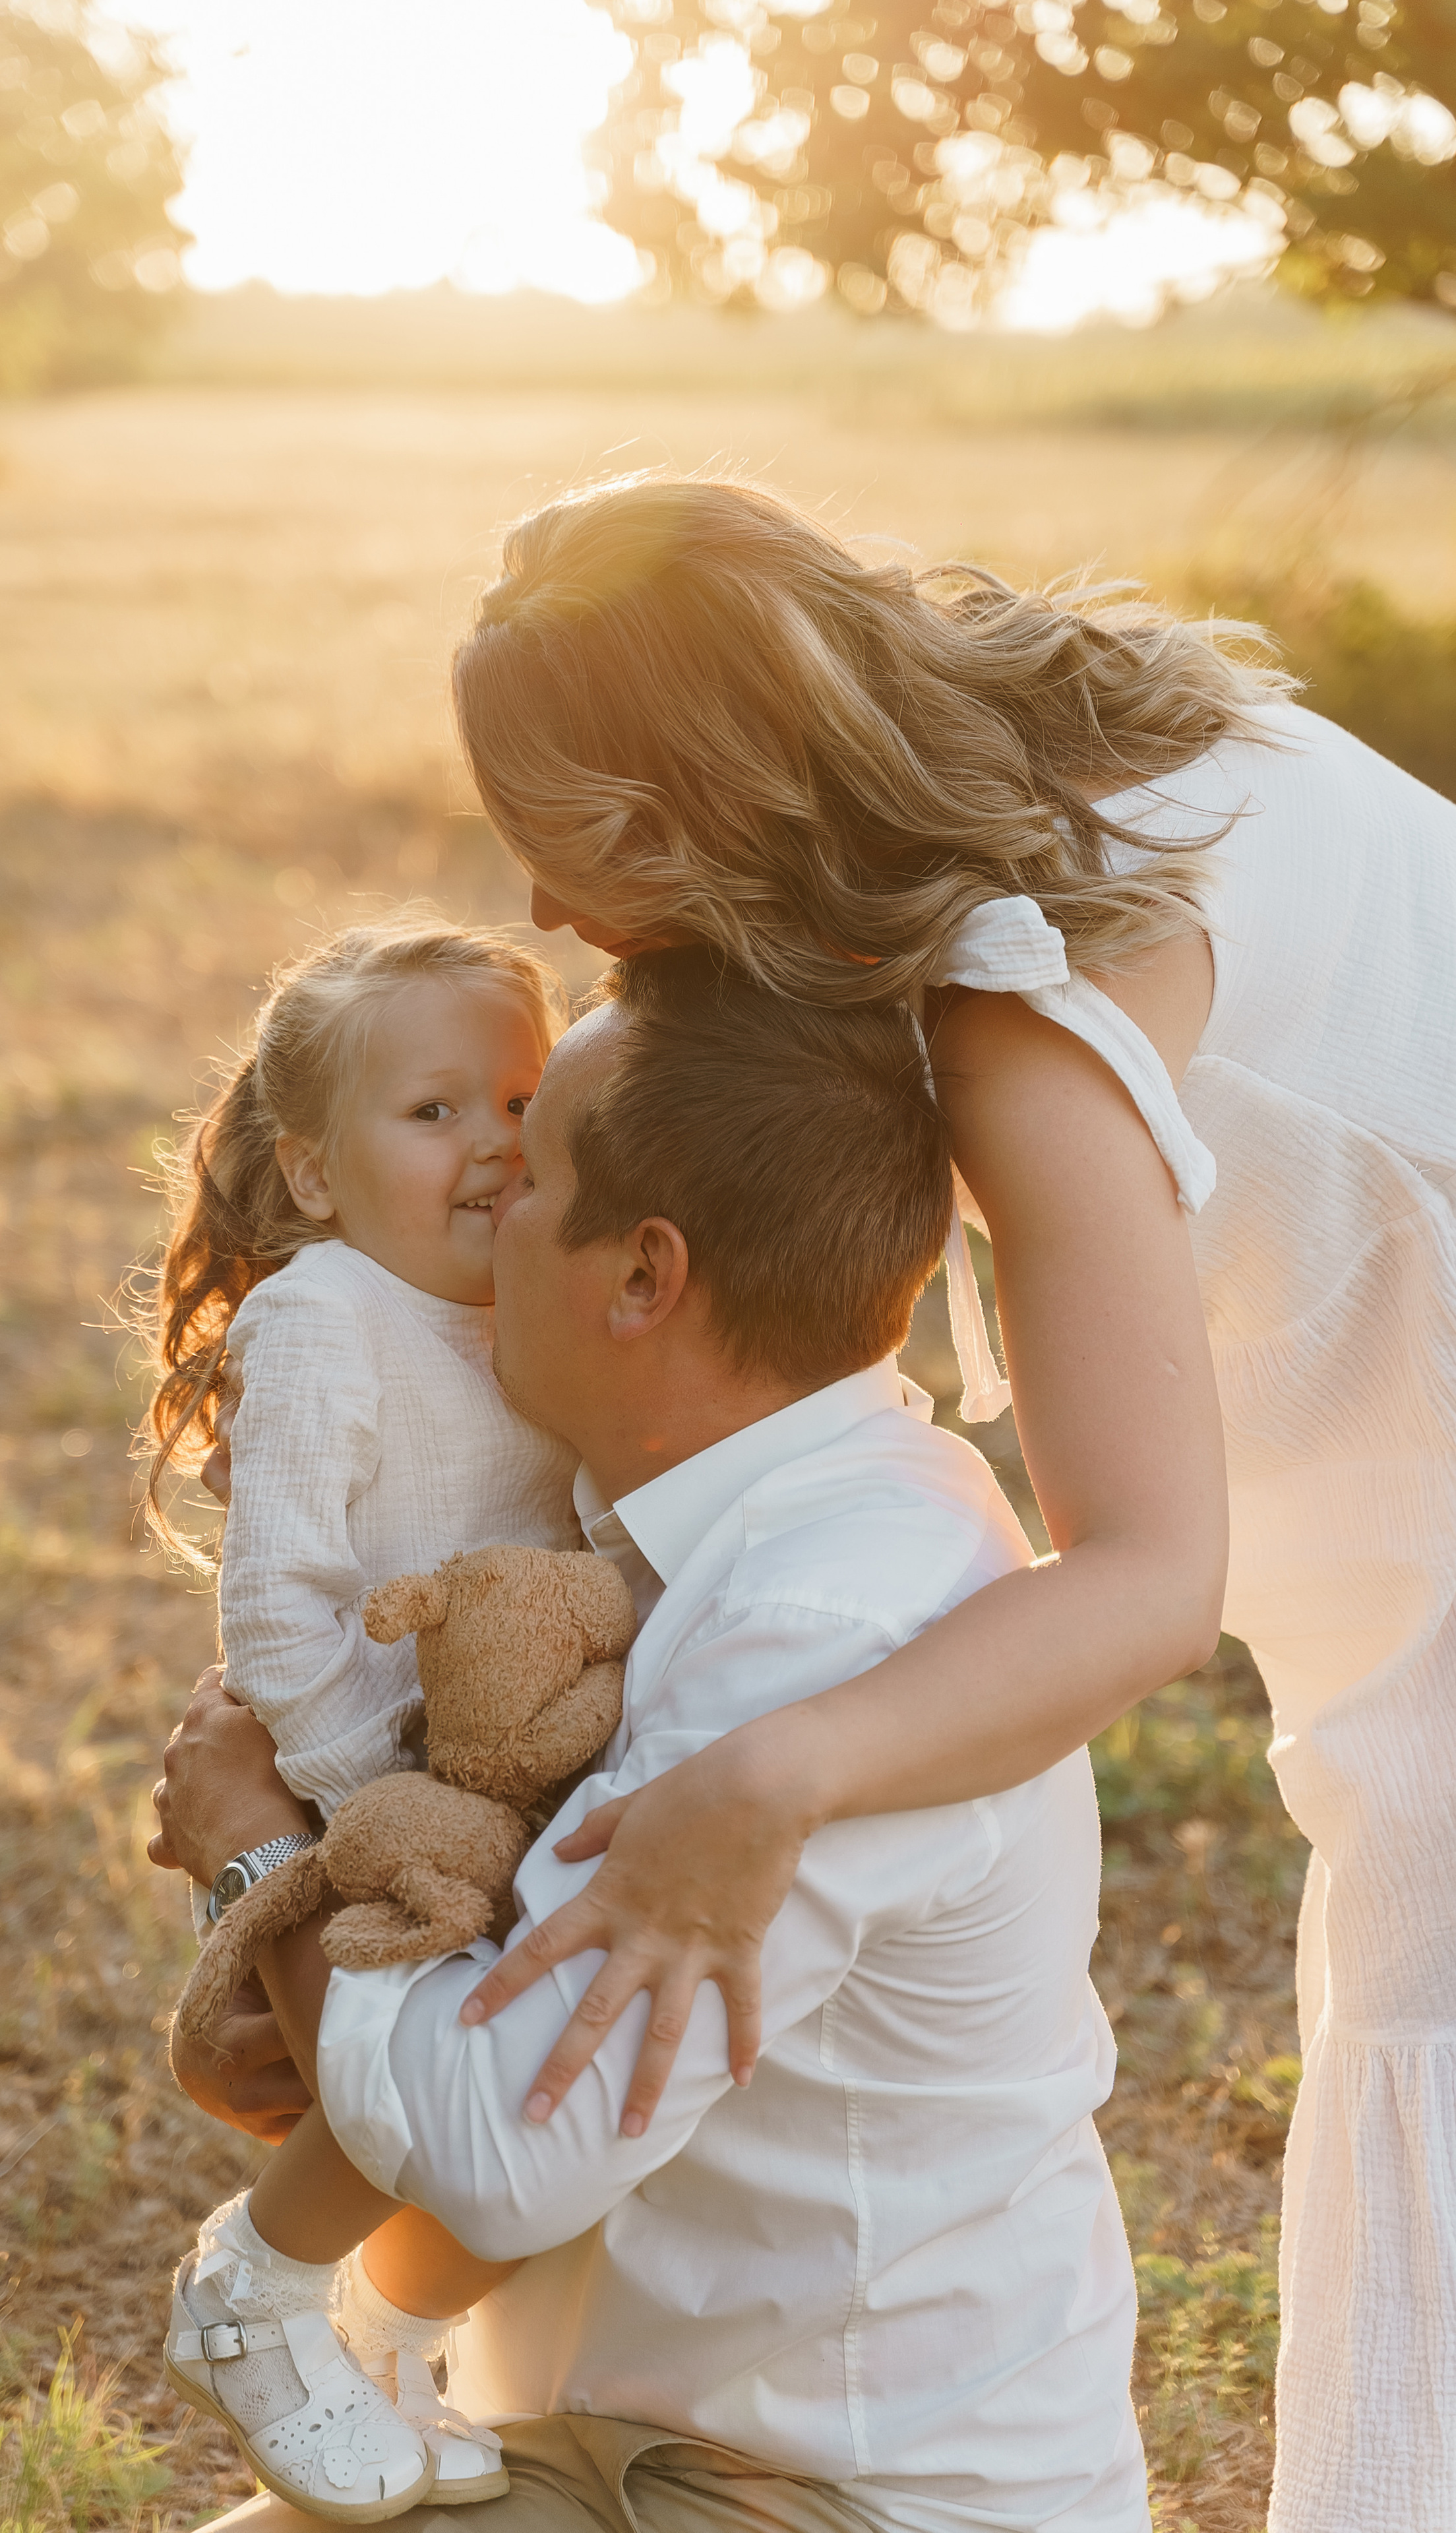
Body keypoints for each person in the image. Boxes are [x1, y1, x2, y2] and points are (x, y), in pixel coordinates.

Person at [439, 476, 1456, 2533]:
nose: (546, 914)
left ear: (689, 800)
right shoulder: (1114, 730)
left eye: (561, 846)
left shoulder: (1027, 1005)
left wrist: (780, 1768)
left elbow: (1147, 1580)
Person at [154, 950, 1151, 2532]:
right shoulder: (697, 1528)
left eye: (529, 1166)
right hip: (627, 2442)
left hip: (833, 2497)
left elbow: (491, 2144)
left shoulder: (821, 1622)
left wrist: (256, 1854)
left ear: (640, 1278)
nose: (489, 1200)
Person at [144, 917, 586, 2513]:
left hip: (505, 1769)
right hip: (368, 1783)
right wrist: (360, 1807)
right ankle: (251, 2295)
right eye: (435, 1113)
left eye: (524, 1102)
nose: (494, 1146)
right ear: (316, 1174)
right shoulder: (328, 1313)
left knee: (532, 2092)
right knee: (437, 2074)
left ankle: (384, 2331)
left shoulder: (519, 1303)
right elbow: (274, 1602)